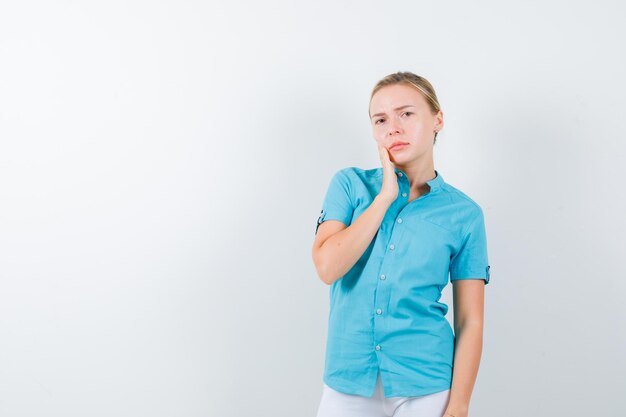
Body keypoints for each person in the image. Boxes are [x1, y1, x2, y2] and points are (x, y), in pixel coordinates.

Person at [311, 71, 490, 417]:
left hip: (427, 386)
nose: (393, 127)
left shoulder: (464, 214)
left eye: (406, 114)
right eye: (381, 120)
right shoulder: (349, 186)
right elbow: (327, 267)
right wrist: (384, 198)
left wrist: (459, 405)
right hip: (348, 381)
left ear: (437, 119)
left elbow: (471, 321)